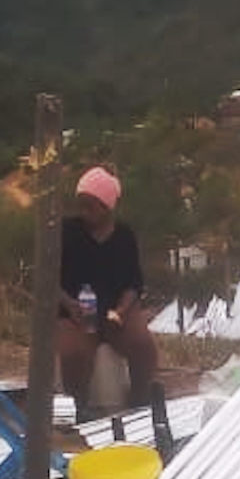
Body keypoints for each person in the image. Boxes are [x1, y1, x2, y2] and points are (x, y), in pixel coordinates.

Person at [57, 167, 157, 412]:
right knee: (74, 353)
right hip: (75, 310)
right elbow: (48, 279)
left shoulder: (124, 237)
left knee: (143, 345)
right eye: (81, 205)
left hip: (114, 309)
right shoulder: (66, 232)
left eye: (91, 206)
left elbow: (134, 283)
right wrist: (70, 306)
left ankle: (139, 399)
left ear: (108, 206)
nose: (84, 212)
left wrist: (121, 312)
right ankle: (79, 407)